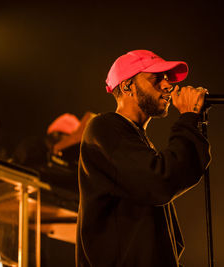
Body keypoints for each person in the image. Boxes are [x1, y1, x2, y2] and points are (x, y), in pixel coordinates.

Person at [76, 50, 211, 267]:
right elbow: (161, 181)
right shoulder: (105, 127)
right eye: (157, 78)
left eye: (167, 79)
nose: (168, 86)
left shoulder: (138, 141)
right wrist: (187, 119)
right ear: (128, 85)